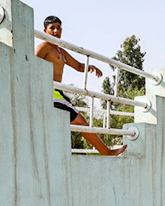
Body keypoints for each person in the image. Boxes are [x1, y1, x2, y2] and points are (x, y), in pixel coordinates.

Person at [36, 16, 126, 156]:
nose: (55, 31)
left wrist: (90, 67)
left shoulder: (61, 51)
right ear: (45, 31)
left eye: (58, 28)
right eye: (51, 28)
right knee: (80, 121)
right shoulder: (44, 47)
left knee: (76, 122)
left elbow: (77, 66)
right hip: (49, 91)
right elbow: (29, 62)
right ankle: (106, 152)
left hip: (59, 92)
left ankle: (103, 151)